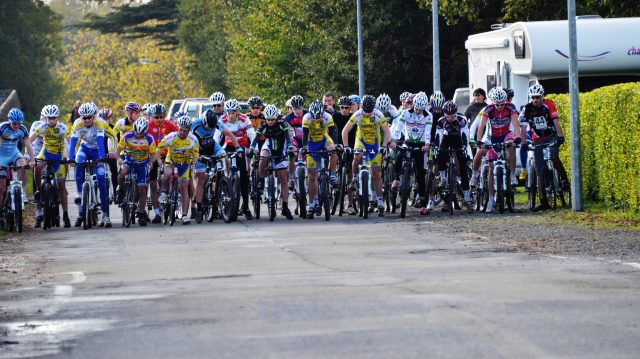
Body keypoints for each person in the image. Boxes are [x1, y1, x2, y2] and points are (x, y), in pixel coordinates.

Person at [470, 88, 522, 213]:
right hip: (491, 136)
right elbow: (481, 126)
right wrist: (479, 141)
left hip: (506, 135)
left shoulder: (511, 107)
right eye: (497, 104)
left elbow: (515, 124)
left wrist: (518, 137)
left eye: (502, 104)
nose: (500, 106)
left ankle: (512, 174)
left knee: (511, 147)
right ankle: (491, 199)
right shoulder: (488, 109)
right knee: (492, 166)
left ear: (505, 101)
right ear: (492, 102)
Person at [519, 84, 568, 211]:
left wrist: (560, 136)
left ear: (542, 95)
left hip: (551, 136)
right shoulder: (527, 109)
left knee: (554, 156)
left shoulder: (549, 104)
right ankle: (543, 201)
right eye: (533, 97)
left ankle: (564, 179)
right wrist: (523, 143)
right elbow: (523, 128)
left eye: (537, 97)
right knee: (539, 168)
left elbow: (556, 121)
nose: (535, 100)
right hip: (537, 139)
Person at [68, 102, 117, 227]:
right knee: (78, 163)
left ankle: (105, 216)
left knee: (101, 180)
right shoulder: (77, 124)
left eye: (89, 117)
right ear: (80, 117)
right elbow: (73, 142)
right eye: (84, 118)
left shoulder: (99, 123)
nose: (87, 120)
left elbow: (101, 142)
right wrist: (70, 158)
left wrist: (102, 157)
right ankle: (80, 194)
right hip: (84, 148)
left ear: (94, 116)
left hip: (96, 151)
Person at [341, 95, 391, 217]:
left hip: (374, 143)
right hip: (361, 141)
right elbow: (345, 131)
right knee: (357, 156)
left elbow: (387, 132)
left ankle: (380, 203)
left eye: (370, 112)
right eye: (365, 111)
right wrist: (347, 146)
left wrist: (384, 146)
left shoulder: (379, 115)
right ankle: (354, 178)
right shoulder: (357, 114)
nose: (367, 114)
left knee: (376, 174)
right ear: (362, 107)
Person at [250, 104, 295, 220]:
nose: (270, 122)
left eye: (272, 119)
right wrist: (251, 148)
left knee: (283, 178)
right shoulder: (263, 124)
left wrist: (290, 149)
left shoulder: (282, 123)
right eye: (268, 119)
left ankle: (285, 206)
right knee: (262, 157)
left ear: (276, 118)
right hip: (269, 144)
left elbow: (289, 140)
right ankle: (260, 180)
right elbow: (255, 139)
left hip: (281, 147)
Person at [389, 92, 432, 211]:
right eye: (416, 108)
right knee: (399, 155)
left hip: (421, 144)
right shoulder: (405, 113)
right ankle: (397, 179)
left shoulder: (428, 115)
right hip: (408, 141)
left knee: (420, 174)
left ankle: (423, 204)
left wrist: (427, 144)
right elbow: (398, 128)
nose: (418, 111)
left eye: (420, 109)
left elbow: (428, 131)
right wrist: (393, 140)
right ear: (414, 105)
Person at [30, 105, 71, 228]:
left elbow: (70, 143)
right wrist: (29, 156)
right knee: (37, 166)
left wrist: (68, 158)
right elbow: (30, 141)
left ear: (57, 118)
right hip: (45, 152)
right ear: (46, 118)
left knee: (61, 186)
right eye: (49, 118)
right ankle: (38, 189)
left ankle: (65, 214)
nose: (51, 120)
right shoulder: (41, 127)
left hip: (59, 155)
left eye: (53, 118)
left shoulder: (63, 127)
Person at [216, 99, 256, 219]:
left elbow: (252, 134)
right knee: (221, 173)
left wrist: (254, 147)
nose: (231, 115)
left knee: (244, 177)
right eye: (229, 112)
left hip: (241, 148)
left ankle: (245, 207)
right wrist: (216, 150)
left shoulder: (244, 119)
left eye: (233, 112)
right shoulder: (222, 120)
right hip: (228, 147)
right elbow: (216, 137)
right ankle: (219, 203)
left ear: (238, 112)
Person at [156, 116, 199, 225]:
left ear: (189, 130)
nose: (182, 132)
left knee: (184, 186)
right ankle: (165, 192)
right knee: (167, 173)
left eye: (185, 131)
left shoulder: (193, 140)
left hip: (184, 165)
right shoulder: (170, 137)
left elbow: (196, 154)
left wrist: (193, 162)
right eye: (180, 129)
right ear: (177, 128)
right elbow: (158, 149)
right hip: (171, 162)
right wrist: (159, 161)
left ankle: (184, 215)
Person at [301, 100, 338, 219]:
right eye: (315, 117)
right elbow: (305, 136)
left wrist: (336, 144)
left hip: (324, 139)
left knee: (333, 149)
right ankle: (312, 204)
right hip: (312, 142)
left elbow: (333, 132)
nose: (317, 119)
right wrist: (305, 148)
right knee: (312, 176)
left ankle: (332, 174)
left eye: (319, 117)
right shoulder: (306, 118)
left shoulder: (328, 117)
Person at [115, 119, 156, 226]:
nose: (138, 135)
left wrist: (151, 162)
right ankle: (120, 190)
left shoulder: (149, 138)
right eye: (136, 133)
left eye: (141, 133)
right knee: (122, 172)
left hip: (143, 164)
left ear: (145, 131)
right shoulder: (127, 136)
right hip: (129, 162)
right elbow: (118, 151)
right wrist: (119, 159)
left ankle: (141, 213)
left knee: (143, 190)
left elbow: (153, 154)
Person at [190, 109, 227, 223]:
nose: (210, 129)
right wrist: (197, 156)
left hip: (211, 145)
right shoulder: (195, 124)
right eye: (208, 127)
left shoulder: (215, 123)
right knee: (200, 176)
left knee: (225, 157)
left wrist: (238, 146)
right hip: (198, 149)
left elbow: (228, 133)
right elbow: (189, 141)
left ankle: (226, 180)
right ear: (204, 122)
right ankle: (199, 208)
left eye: (212, 127)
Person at [436, 101, 473, 212]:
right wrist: (438, 148)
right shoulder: (441, 121)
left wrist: (464, 148)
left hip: (458, 140)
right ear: (444, 114)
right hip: (447, 139)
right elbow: (438, 135)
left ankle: (467, 199)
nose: (450, 118)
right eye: (448, 116)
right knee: (440, 153)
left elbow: (464, 134)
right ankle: (443, 178)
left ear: (456, 113)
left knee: (462, 167)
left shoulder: (462, 119)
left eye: (452, 116)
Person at [147, 105, 179, 223]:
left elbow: (180, 134)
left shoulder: (169, 124)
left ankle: (170, 195)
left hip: (166, 155)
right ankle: (156, 213)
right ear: (152, 117)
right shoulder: (148, 126)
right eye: (156, 117)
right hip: (152, 156)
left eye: (161, 117)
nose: (159, 119)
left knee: (168, 176)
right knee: (153, 185)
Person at [0, 108, 35, 214]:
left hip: (14, 153)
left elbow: (28, 145)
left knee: (23, 165)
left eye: (19, 124)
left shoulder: (23, 129)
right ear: (9, 121)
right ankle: (1, 211)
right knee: (1, 188)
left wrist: (32, 160)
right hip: (2, 155)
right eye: (14, 124)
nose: (16, 126)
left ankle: (21, 190)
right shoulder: (3, 127)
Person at [332, 96, 357, 214]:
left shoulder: (354, 117)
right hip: (338, 146)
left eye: (347, 107)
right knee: (333, 160)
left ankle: (350, 203)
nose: (345, 110)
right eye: (342, 107)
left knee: (350, 173)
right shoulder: (335, 116)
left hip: (351, 147)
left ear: (350, 107)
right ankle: (332, 180)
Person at [283, 95, 307, 190]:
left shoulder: (308, 114)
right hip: (295, 139)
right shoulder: (288, 118)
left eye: (300, 108)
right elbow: (288, 134)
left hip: (306, 139)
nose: (297, 111)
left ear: (303, 107)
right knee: (291, 152)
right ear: (291, 108)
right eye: (295, 109)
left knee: (309, 155)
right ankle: (291, 178)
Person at [98, 108, 118, 195]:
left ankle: (115, 191)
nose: (104, 121)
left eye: (106, 119)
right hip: (101, 154)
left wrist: (113, 152)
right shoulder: (97, 128)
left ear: (110, 118)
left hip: (111, 153)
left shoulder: (113, 128)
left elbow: (117, 141)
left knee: (114, 171)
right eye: (102, 119)